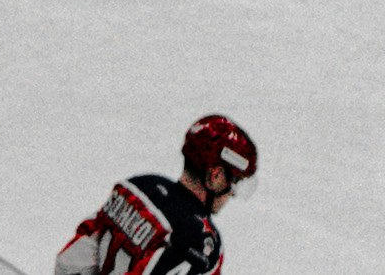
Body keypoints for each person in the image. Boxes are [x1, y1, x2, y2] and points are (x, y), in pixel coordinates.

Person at [57, 118, 257, 275]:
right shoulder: (202, 239)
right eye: (235, 181)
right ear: (216, 176)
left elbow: (69, 262)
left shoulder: (139, 185)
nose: (232, 193)